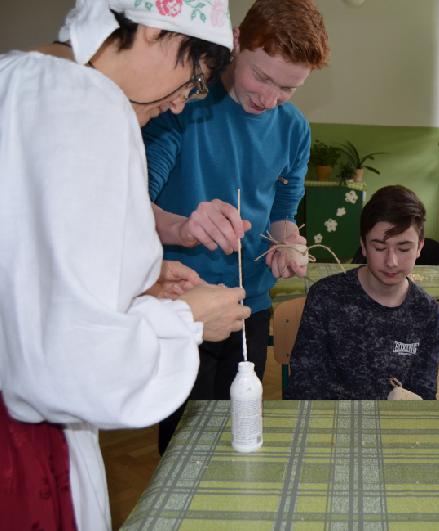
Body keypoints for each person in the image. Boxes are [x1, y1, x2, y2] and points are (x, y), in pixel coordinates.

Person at [0, 1, 251, 529]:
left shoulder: (16, 77)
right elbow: (68, 364)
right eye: (194, 77)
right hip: (24, 453)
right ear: (156, 30)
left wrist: (137, 285)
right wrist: (188, 321)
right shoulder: (89, 104)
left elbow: (28, 273)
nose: (180, 104)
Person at [143, 0, 330, 453]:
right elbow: (132, 207)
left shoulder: (294, 129)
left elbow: (282, 212)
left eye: (288, 88)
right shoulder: (182, 102)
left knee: (240, 430)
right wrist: (184, 226)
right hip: (183, 301)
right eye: (261, 77)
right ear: (237, 41)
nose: (268, 98)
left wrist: (288, 242)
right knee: (184, 443)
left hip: (250, 304)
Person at [285, 185, 439, 400]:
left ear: (419, 248)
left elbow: (423, 394)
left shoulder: (428, 313)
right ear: (363, 245)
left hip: (391, 419)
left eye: (403, 249)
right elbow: (303, 383)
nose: (391, 261)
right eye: (379, 248)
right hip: (329, 417)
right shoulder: (326, 297)